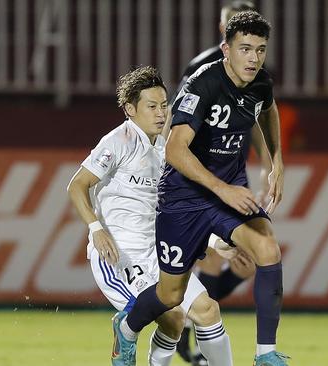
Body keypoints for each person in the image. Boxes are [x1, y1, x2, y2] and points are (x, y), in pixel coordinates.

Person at [114, 11, 290, 366]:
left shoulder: (261, 83)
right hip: (184, 198)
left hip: (228, 192)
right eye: (245, 49)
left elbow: (267, 109)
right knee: (169, 294)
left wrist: (276, 161)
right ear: (225, 48)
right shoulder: (202, 84)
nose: (254, 58)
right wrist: (222, 189)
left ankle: (265, 353)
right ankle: (127, 328)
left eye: (260, 49)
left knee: (268, 249)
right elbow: (175, 150)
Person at [67, 66, 233, 366]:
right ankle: (126, 329)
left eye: (164, 105)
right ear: (130, 109)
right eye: (152, 106)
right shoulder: (119, 141)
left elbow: (177, 211)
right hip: (119, 254)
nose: (160, 113)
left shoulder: (168, 150)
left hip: (157, 252)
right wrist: (95, 228)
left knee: (206, 311)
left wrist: (214, 240)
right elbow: (77, 185)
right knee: (172, 316)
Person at [167, 2, 264, 364]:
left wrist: (268, 161)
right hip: (198, 172)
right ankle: (182, 332)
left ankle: (190, 336)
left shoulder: (253, 73)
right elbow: (178, 119)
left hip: (226, 172)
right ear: (222, 31)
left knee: (220, 256)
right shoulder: (202, 68)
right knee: (202, 255)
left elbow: (252, 118)